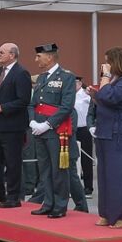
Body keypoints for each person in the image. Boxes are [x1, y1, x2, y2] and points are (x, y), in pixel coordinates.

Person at [27, 44, 79, 218]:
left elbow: (66, 106)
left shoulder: (66, 77)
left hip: (56, 131)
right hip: (39, 129)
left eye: (38, 56)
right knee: (45, 169)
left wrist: (47, 124)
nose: (36, 59)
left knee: (58, 170)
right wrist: (33, 121)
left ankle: (60, 205)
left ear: (49, 57)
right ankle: (48, 203)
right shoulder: (41, 78)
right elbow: (33, 104)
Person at [91, 49, 122, 226]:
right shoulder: (116, 80)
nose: (106, 65)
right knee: (104, 175)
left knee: (117, 175)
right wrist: (95, 96)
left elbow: (110, 97)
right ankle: (107, 212)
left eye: (108, 62)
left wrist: (104, 77)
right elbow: (106, 99)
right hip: (105, 130)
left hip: (120, 131)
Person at [0, 42, 30, 207]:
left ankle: (13, 196)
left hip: (12, 126)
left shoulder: (21, 73)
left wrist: (1, 108)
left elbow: (23, 100)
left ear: (12, 55)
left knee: (12, 162)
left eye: (1, 52)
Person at [73, 80, 96, 196]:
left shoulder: (86, 95)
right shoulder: (69, 94)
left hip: (84, 129)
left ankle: (88, 187)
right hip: (72, 129)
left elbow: (94, 106)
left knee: (86, 159)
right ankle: (74, 186)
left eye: (75, 83)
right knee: (73, 159)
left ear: (80, 83)